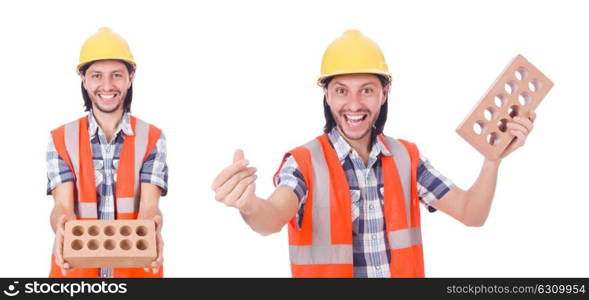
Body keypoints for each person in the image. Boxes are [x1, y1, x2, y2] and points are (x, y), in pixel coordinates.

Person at [211, 29, 535, 277]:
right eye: (341, 91)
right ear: (326, 94)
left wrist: (492, 160)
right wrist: (249, 204)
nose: (354, 105)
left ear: (384, 92)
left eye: (366, 89)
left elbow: (471, 214)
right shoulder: (304, 163)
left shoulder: (407, 158)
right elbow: (271, 218)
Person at [47, 27, 168, 278]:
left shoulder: (152, 138)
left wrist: (152, 226)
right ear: (83, 78)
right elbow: (62, 206)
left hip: (134, 272)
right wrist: (61, 225)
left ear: (131, 77)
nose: (107, 85)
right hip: (77, 274)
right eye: (96, 75)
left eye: (116, 75)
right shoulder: (61, 139)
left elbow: (149, 207)